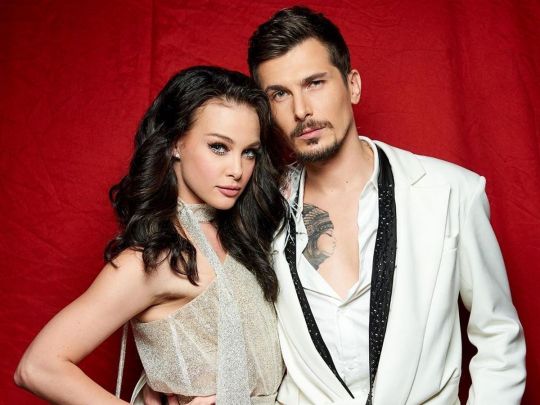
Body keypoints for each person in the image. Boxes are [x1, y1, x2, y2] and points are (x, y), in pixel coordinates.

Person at [246, 6, 526, 405]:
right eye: (279, 94)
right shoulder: (258, 205)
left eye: (315, 83)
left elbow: (498, 334)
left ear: (352, 85)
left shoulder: (451, 192)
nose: (301, 110)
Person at [14, 66, 287, 405]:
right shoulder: (152, 259)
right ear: (175, 143)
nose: (237, 170)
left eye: (249, 152)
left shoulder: (244, 235)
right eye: (219, 147)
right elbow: (38, 367)